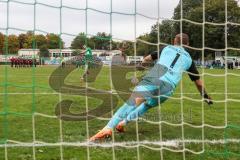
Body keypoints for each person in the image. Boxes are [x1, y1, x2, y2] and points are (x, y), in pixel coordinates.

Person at [89, 33, 213, 142]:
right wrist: (205, 96)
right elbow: (198, 83)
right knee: (148, 105)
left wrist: (142, 65)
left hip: (154, 78)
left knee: (133, 102)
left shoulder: (167, 48)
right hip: (168, 88)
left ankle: (108, 128)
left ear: (174, 41)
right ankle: (123, 123)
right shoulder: (189, 60)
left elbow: (147, 59)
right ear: (188, 44)